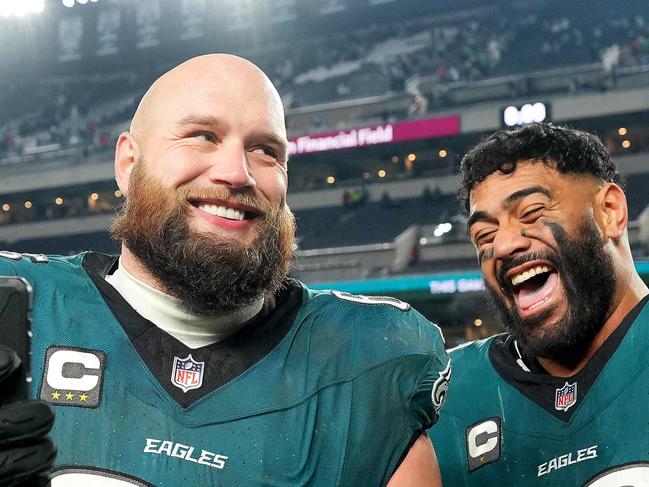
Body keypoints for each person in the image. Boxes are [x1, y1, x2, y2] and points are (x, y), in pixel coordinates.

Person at [0, 54, 450, 486]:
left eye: (265, 150)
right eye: (203, 136)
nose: (237, 173)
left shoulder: (373, 353)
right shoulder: (19, 306)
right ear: (128, 164)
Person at [428, 123, 649, 485]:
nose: (502, 246)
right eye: (484, 235)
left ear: (609, 211)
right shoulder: (447, 399)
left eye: (531, 213)